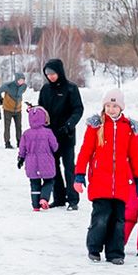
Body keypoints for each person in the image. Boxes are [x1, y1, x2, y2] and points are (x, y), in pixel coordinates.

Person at [74, 90, 138, 264]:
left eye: (115, 106)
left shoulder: (128, 128)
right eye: (108, 105)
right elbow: (85, 151)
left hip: (121, 183)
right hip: (100, 182)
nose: (111, 109)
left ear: (121, 107)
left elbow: (134, 156)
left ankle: (115, 253)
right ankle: (94, 249)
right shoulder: (96, 126)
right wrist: (79, 174)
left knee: (119, 221)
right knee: (101, 219)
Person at [37, 59, 84, 211]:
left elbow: (78, 109)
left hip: (67, 135)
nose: (50, 76)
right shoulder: (45, 89)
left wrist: (69, 125)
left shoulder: (71, 88)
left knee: (69, 167)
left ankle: (73, 199)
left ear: (60, 72)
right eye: (47, 74)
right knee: (53, 168)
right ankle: (58, 198)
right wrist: (35, 113)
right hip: (50, 136)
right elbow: (41, 109)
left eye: (53, 73)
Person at [18, 106, 59, 211]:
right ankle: (44, 199)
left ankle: (36, 206)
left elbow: (22, 148)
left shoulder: (26, 134)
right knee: (49, 181)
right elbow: (54, 146)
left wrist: (20, 159)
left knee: (34, 184)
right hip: (46, 161)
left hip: (31, 163)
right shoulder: (48, 132)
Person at [0, 72, 27, 149]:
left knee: (19, 126)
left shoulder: (23, 86)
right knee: (7, 126)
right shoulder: (8, 85)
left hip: (18, 110)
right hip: (8, 109)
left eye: (23, 80)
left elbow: (18, 94)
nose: (22, 82)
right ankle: (7, 142)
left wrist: (22, 86)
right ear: (16, 79)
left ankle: (19, 142)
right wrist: (0, 100)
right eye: (20, 80)